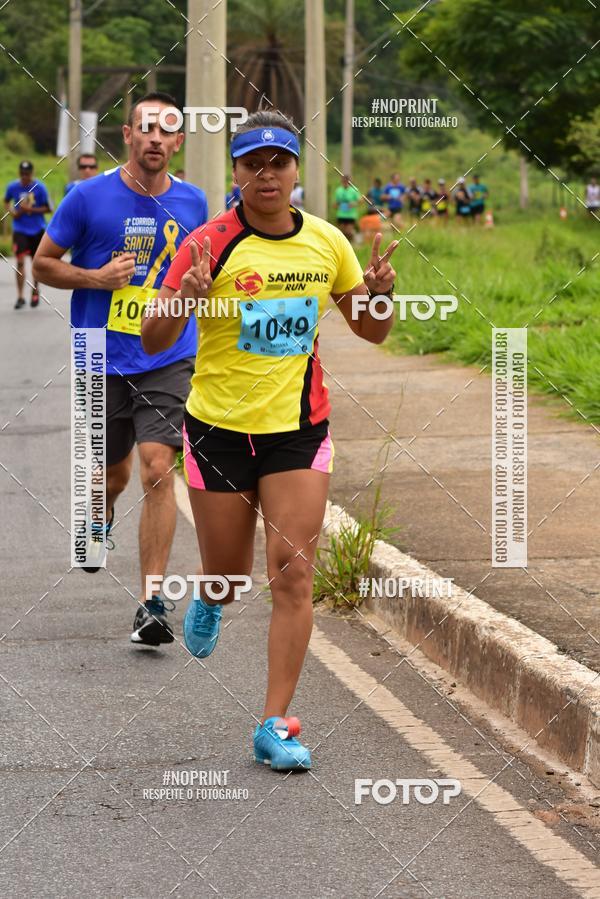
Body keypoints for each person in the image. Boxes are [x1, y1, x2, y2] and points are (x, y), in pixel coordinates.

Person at [141, 109, 398, 772]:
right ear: (235, 171)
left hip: (297, 431)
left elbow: (371, 331)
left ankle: (273, 724)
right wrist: (183, 300)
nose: (266, 174)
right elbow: (152, 340)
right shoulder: (206, 242)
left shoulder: (327, 242)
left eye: (278, 161)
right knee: (229, 573)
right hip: (219, 432)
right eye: (252, 162)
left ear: (294, 170)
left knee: (292, 571)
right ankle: (212, 593)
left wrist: (379, 297)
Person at [32, 92, 209, 647]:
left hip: (166, 355)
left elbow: (209, 272)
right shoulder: (87, 197)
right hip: (99, 355)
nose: (156, 138)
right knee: (113, 476)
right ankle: (99, 515)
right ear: (128, 136)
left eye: (167, 130)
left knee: (158, 468)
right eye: (145, 128)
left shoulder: (196, 203)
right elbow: (42, 264)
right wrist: (96, 278)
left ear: (178, 142)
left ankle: (152, 601)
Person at [4, 161, 51, 309]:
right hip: (20, 230)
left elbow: (49, 208)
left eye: (27, 174)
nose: (25, 177)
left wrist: (30, 209)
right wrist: (13, 213)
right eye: (22, 174)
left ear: (32, 173)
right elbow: (6, 201)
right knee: (19, 262)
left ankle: (35, 290)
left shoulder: (40, 188)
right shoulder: (13, 187)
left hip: (37, 229)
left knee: (36, 263)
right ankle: (20, 297)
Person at [333, 174, 361, 242]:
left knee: (348, 232)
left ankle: (352, 242)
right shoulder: (338, 190)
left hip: (351, 215)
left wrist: (353, 204)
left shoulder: (354, 190)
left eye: (346, 181)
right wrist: (337, 206)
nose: (345, 183)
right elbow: (335, 203)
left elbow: (360, 200)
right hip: (341, 214)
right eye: (343, 181)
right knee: (341, 232)